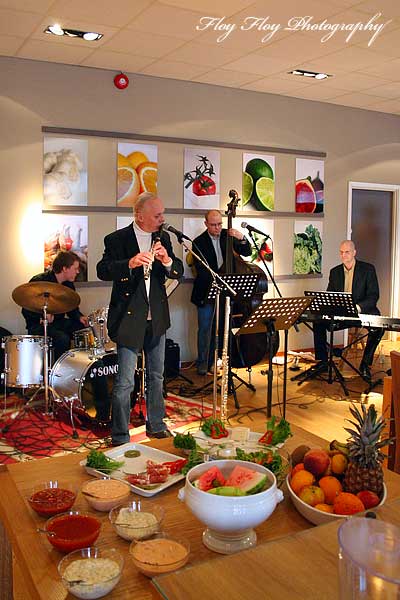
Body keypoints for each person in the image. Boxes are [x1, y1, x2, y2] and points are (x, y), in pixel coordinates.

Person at [96, 192, 183, 444]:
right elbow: (103, 270)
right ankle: (120, 435)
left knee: (156, 376)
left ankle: (156, 424)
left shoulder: (163, 237)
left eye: (162, 214)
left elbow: (177, 270)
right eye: (157, 215)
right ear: (139, 215)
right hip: (128, 319)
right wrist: (130, 263)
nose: (162, 219)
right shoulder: (117, 239)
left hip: (156, 318)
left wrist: (167, 260)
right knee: (124, 382)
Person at [190, 209, 251, 376]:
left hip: (227, 292)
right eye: (213, 225)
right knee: (206, 329)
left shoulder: (228, 235)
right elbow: (201, 270)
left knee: (226, 328)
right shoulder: (198, 242)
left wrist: (242, 238)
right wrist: (218, 279)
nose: (217, 228)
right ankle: (204, 364)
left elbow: (247, 252)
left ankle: (227, 361)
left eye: (219, 224)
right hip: (206, 292)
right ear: (206, 224)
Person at [313, 240, 384, 380]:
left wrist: (358, 307)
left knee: (378, 328)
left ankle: (365, 364)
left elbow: (373, 295)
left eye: (347, 252)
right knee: (318, 321)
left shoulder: (368, 269)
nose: (344, 255)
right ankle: (322, 362)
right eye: (341, 252)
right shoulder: (335, 272)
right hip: (342, 312)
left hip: (362, 311)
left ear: (354, 253)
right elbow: (330, 296)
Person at [22, 250, 89, 361]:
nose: (77, 272)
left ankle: (82, 369)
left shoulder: (68, 285)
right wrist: (42, 317)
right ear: (65, 268)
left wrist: (80, 317)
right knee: (62, 339)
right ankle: (57, 373)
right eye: (75, 268)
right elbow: (26, 308)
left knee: (83, 331)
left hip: (58, 323)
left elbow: (71, 308)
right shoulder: (39, 281)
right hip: (38, 326)